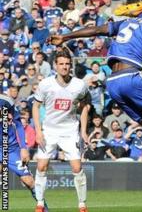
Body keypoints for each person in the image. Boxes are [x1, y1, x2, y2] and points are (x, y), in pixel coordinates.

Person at [49, 2, 142, 195]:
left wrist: (65, 36)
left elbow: (96, 29)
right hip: (131, 77)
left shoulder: (126, 23)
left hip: (112, 83)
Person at [32, 50, 88, 212]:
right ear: (55, 66)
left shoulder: (79, 85)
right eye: (61, 64)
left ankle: (82, 205)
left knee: (77, 168)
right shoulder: (45, 84)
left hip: (70, 132)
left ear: (71, 65)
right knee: (41, 166)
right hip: (49, 131)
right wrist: (38, 131)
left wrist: (83, 131)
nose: (64, 67)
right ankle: (40, 204)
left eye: (67, 64)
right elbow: (35, 106)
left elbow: (85, 107)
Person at [0, 95, 44, 208]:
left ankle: (44, 208)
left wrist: (23, 148)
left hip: (10, 148)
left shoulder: (6, 101)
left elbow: (18, 124)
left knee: (28, 180)